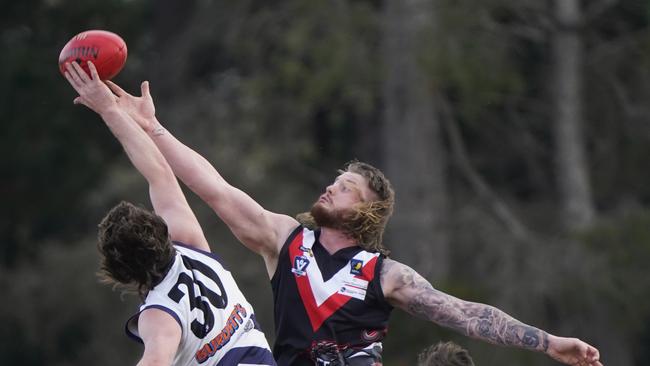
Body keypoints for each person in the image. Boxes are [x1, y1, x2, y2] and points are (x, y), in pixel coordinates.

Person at [100, 76, 604, 366]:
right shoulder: (284, 241)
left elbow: (469, 315)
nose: (330, 187)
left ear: (365, 212)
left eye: (345, 188)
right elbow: (213, 188)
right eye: (335, 180)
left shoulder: (385, 275)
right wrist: (154, 128)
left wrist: (548, 342)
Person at [63, 61, 276, 366]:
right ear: (161, 230)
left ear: (120, 272)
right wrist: (109, 109)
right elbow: (159, 172)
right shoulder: (191, 247)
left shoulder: (158, 314)